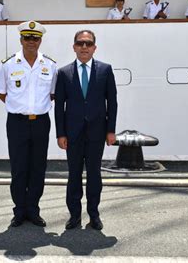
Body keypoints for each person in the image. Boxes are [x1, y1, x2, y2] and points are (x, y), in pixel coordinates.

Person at [55, 30, 118, 231]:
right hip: (72, 134)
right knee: (74, 175)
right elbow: (59, 107)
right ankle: (74, 215)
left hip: (97, 133)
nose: (84, 47)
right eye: (80, 43)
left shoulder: (105, 70)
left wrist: (111, 130)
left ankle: (94, 214)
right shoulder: (64, 73)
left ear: (94, 48)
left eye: (88, 44)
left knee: (94, 175)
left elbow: (112, 102)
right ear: (74, 47)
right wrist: (60, 133)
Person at [0, 20, 57, 228]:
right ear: (21, 39)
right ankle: (19, 211)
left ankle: (33, 209)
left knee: (38, 167)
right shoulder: (8, 64)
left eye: (35, 38)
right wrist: (20, 107)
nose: (31, 41)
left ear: (40, 40)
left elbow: (53, 94)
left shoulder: (50, 65)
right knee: (19, 167)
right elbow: (1, 93)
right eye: (27, 37)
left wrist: (34, 109)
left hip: (40, 122)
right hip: (17, 123)